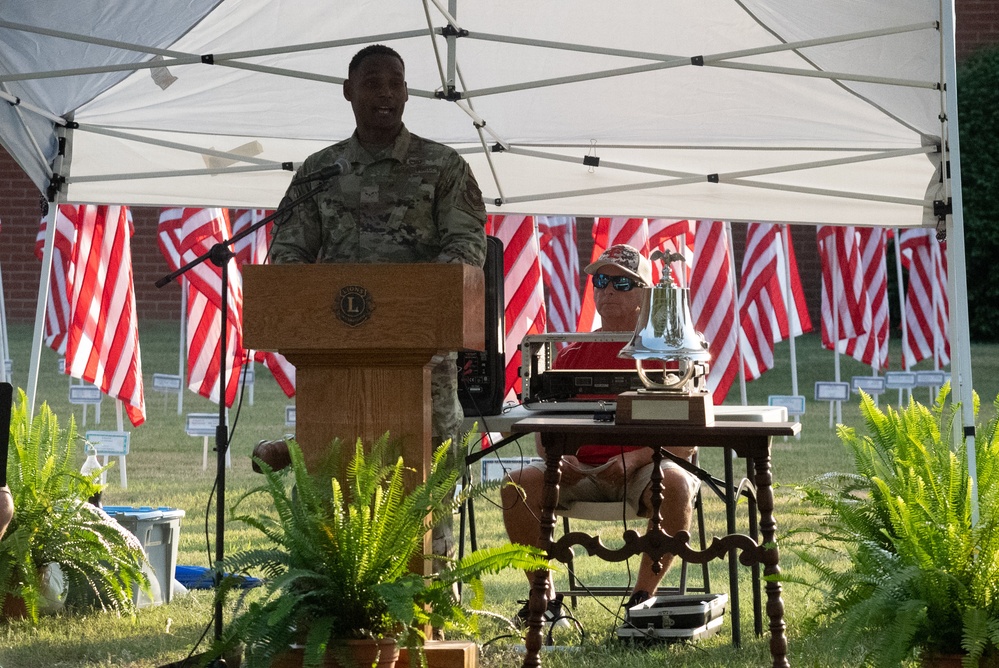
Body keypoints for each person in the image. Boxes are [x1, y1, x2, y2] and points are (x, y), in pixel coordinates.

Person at [265, 44, 488, 560]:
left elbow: (465, 249)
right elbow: (288, 253)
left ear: (407, 91)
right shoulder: (320, 172)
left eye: (396, 83)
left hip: (423, 363)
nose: (386, 94)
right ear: (349, 92)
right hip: (334, 366)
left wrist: (403, 308)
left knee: (425, 486)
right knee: (330, 480)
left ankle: (430, 603)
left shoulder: (443, 167)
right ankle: (330, 596)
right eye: (372, 83)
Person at [500, 244, 698, 625]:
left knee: (676, 484)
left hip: (644, 471)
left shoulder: (667, 352)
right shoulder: (572, 354)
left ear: (644, 293)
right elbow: (545, 433)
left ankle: (641, 600)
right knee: (516, 487)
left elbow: (687, 439)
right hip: (578, 472)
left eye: (621, 282)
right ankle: (546, 600)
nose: (607, 290)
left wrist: (637, 458)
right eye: (601, 280)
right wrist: (561, 460)